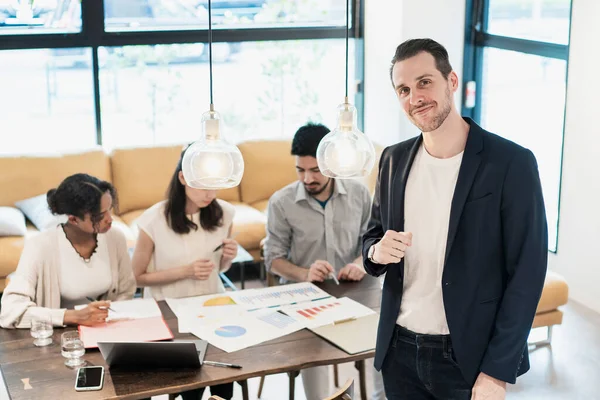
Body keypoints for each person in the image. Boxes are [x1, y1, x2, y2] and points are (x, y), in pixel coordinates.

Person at [362, 38, 548, 400]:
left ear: (451, 81)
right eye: (404, 89)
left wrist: (496, 371)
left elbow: (527, 273)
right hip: (398, 349)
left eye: (424, 82)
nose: (414, 97)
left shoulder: (511, 163)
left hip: (467, 357)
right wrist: (376, 253)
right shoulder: (392, 160)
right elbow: (372, 237)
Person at [265, 123, 386, 400]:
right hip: (304, 299)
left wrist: (358, 262)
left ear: (331, 164)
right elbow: (273, 259)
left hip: (355, 293)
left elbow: (369, 241)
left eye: (315, 170)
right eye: (300, 170)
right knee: (313, 351)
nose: (307, 178)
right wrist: (305, 273)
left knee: (385, 340)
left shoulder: (357, 194)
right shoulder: (281, 203)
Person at [132, 148, 238, 400]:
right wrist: (185, 271)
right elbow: (136, 277)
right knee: (192, 387)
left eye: (214, 186)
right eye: (201, 185)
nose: (209, 194)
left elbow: (220, 270)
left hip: (212, 307)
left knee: (224, 383)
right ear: (182, 178)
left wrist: (227, 257)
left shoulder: (224, 213)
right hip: (170, 313)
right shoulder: (154, 220)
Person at [0, 173, 136, 329]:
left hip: (103, 329)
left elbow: (127, 290)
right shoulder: (40, 246)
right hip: (59, 336)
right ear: (73, 219)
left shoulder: (115, 238)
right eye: (99, 215)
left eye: (109, 210)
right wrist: (73, 317)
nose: (110, 219)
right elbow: (9, 312)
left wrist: (109, 320)